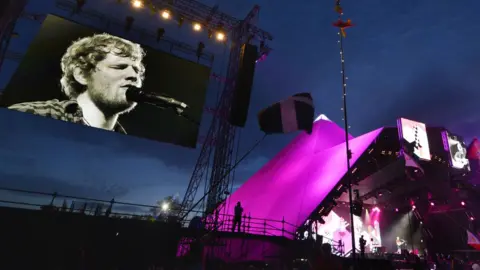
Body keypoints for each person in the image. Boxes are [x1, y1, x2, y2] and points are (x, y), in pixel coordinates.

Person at [8, 33, 146, 134]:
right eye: (119, 67)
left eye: (137, 71)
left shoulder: (123, 143)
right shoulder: (31, 116)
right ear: (81, 75)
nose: (133, 76)